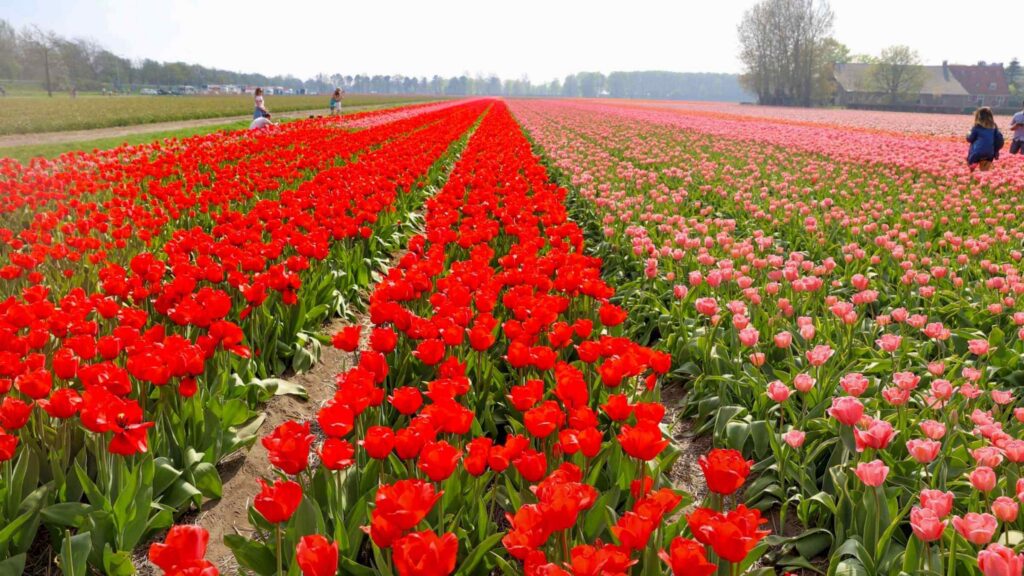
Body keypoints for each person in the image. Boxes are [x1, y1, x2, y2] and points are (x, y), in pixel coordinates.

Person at [967, 107, 1004, 171]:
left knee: (971, 168)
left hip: (977, 153)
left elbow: (970, 139)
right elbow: (1000, 141)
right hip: (989, 153)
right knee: (984, 172)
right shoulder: (994, 127)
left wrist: (968, 134)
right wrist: (995, 150)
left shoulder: (977, 127)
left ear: (978, 117)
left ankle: (971, 173)